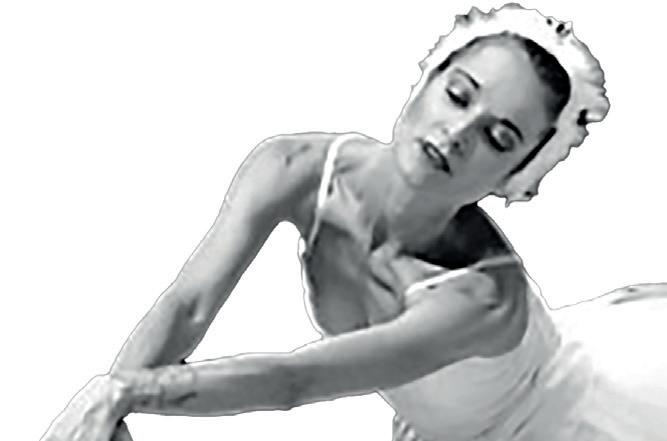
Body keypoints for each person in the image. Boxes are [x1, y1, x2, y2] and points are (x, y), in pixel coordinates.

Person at [39, 4, 667, 441]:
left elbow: (297, 380)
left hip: (556, 424)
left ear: (515, 174)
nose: (457, 133)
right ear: (426, 77)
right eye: (457, 95)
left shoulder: (482, 298)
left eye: (497, 138)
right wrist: (111, 403)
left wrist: (127, 394)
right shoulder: (293, 167)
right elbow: (191, 305)